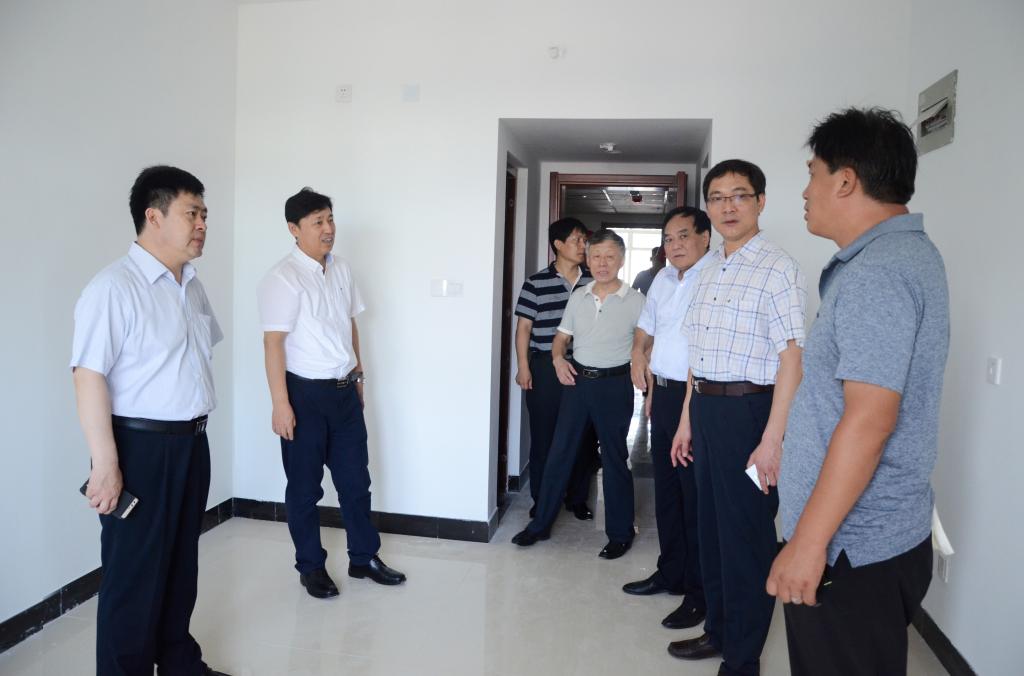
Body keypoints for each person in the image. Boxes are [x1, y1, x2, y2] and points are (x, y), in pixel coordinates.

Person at [768, 107, 948, 676]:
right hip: (872, 541)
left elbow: (869, 421)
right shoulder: (902, 256)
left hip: (850, 549)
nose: (805, 191)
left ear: (845, 180)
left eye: (812, 174)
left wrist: (807, 544)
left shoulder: (878, 273)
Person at [71, 165, 230, 676]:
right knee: (134, 579)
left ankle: (180, 664)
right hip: (140, 450)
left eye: (205, 214)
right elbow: (88, 375)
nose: (202, 224)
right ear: (153, 216)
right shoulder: (113, 288)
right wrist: (105, 464)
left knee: (181, 567)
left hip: (191, 443)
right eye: (192, 213)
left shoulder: (191, 285)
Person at [668, 159, 806, 676]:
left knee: (746, 537)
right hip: (706, 408)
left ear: (760, 202)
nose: (728, 206)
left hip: (750, 413)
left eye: (740, 195)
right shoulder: (707, 269)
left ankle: (743, 658)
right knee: (712, 530)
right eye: (718, 197)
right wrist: (686, 419)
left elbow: (792, 360)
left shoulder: (778, 268)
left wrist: (772, 441)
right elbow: (696, 354)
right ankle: (720, 631)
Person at [257, 187, 406, 600]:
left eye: (330, 219)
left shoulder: (341, 269)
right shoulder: (281, 278)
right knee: (305, 490)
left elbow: (349, 324)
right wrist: (280, 404)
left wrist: (359, 376)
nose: (328, 229)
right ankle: (311, 567)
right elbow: (272, 343)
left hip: (344, 394)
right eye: (318, 222)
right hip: (303, 396)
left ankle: (364, 558)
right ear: (294, 229)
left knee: (356, 482)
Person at [512, 229, 645, 559]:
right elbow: (561, 338)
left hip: (614, 385)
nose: (602, 263)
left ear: (621, 260)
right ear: (588, 259)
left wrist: (641, 362)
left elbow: (645, 343)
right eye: (596, 256)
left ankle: (620, 533)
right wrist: (558, 358)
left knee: (614, 459)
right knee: (560, 452)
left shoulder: (636, 300)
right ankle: (540, 524)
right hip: (577, 384)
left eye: (610, 256)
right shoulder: (579, 296)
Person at [623, 207, 711, 631]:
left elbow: (703, 351)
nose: (674, 245)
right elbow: (647, 328)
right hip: (664, 393)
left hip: (698, 398)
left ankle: (698, 591)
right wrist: (639, 356)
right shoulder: (661, 278)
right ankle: (671, 571)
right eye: (669, 239)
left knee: (694, 498)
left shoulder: (714, 278)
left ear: (705, 237)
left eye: (683, 236)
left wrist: (686, 415)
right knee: (668, 492)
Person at [513, 217, 601, 521]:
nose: (583, 245)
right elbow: (524, 328)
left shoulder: (593, 281)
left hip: (584, 367)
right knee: (544, 438)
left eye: (584, 240)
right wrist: (523, 367)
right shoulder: (536, 282)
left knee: (583, 437)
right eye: (577, 240)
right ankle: (542, 500)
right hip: (545, 369)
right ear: (558, 245)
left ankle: (577, 499)